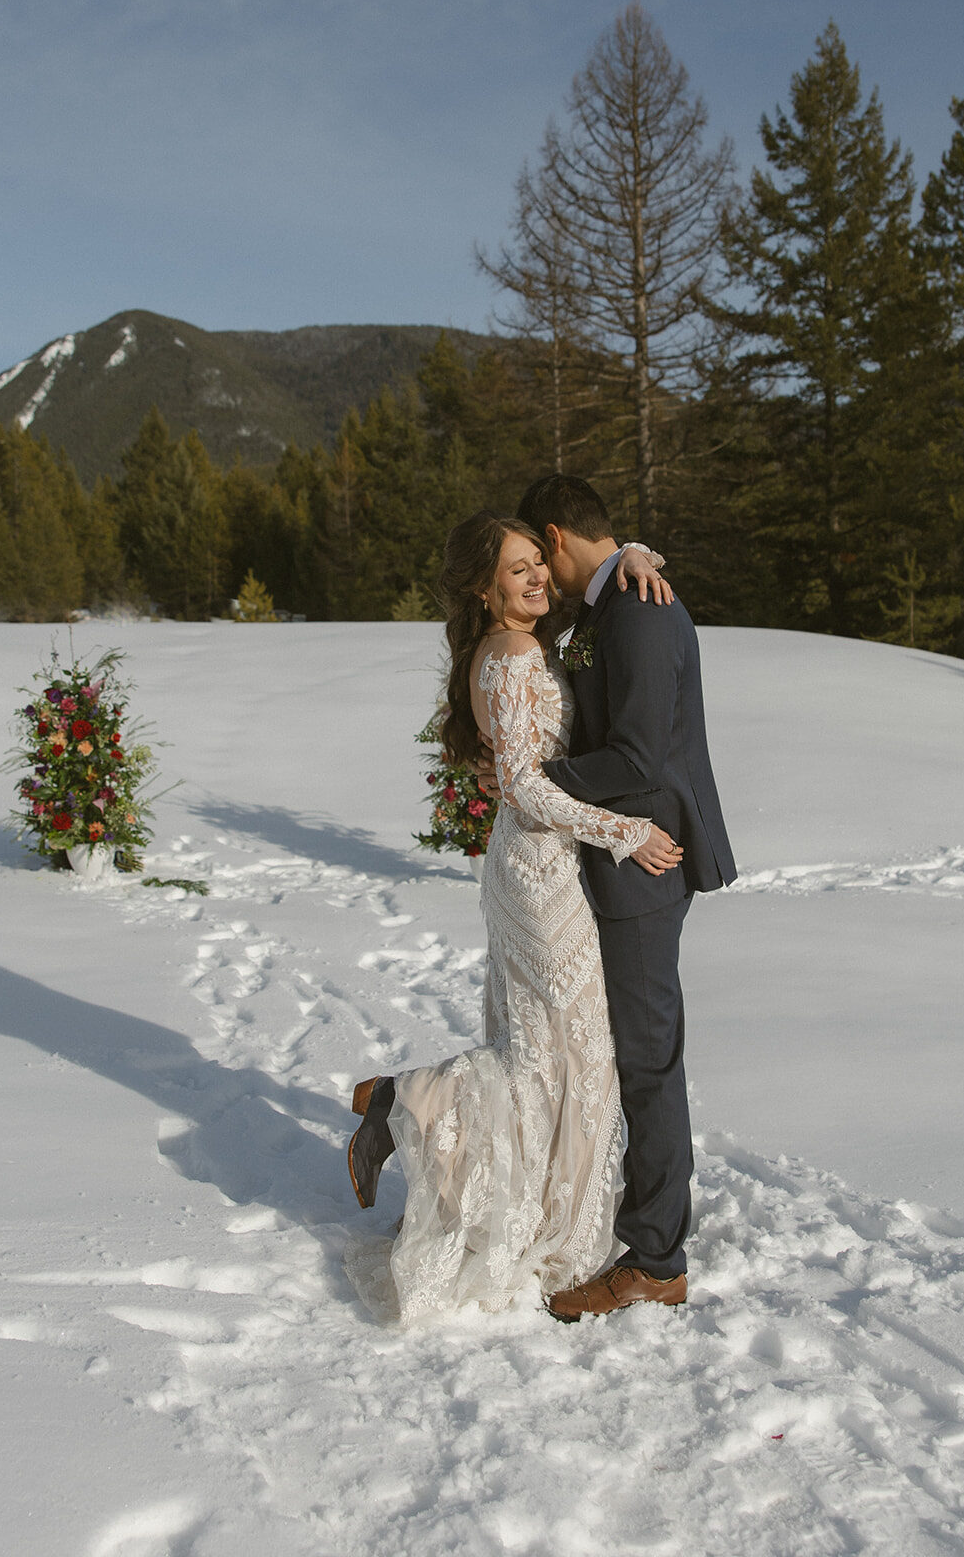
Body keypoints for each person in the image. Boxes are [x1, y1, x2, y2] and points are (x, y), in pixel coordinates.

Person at [344, 514, 679, 1326]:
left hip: (541, 864)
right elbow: (526, 786)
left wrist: (629, 549)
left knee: (556, 1055)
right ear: (482, 587)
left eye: (539, 563)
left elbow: (588, 588)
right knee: (558, 1059)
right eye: (517, 570)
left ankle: (430, 1123)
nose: (536, 579)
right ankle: (406, 1101)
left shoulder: (525, 641)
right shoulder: (512, 654)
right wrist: (626, 832)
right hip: (539, 871)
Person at [510, 474, 736, 1321]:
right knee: (636, 1054)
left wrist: (535, 783)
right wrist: (627, 551)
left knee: (648, 1063)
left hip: (644, 865)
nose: (541, 573)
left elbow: (639, 759)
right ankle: (641, 1225)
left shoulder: (637, 612)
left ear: (559, 536)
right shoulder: (618, 598)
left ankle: (656, 1258)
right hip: (622, 857)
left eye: (542, 555)